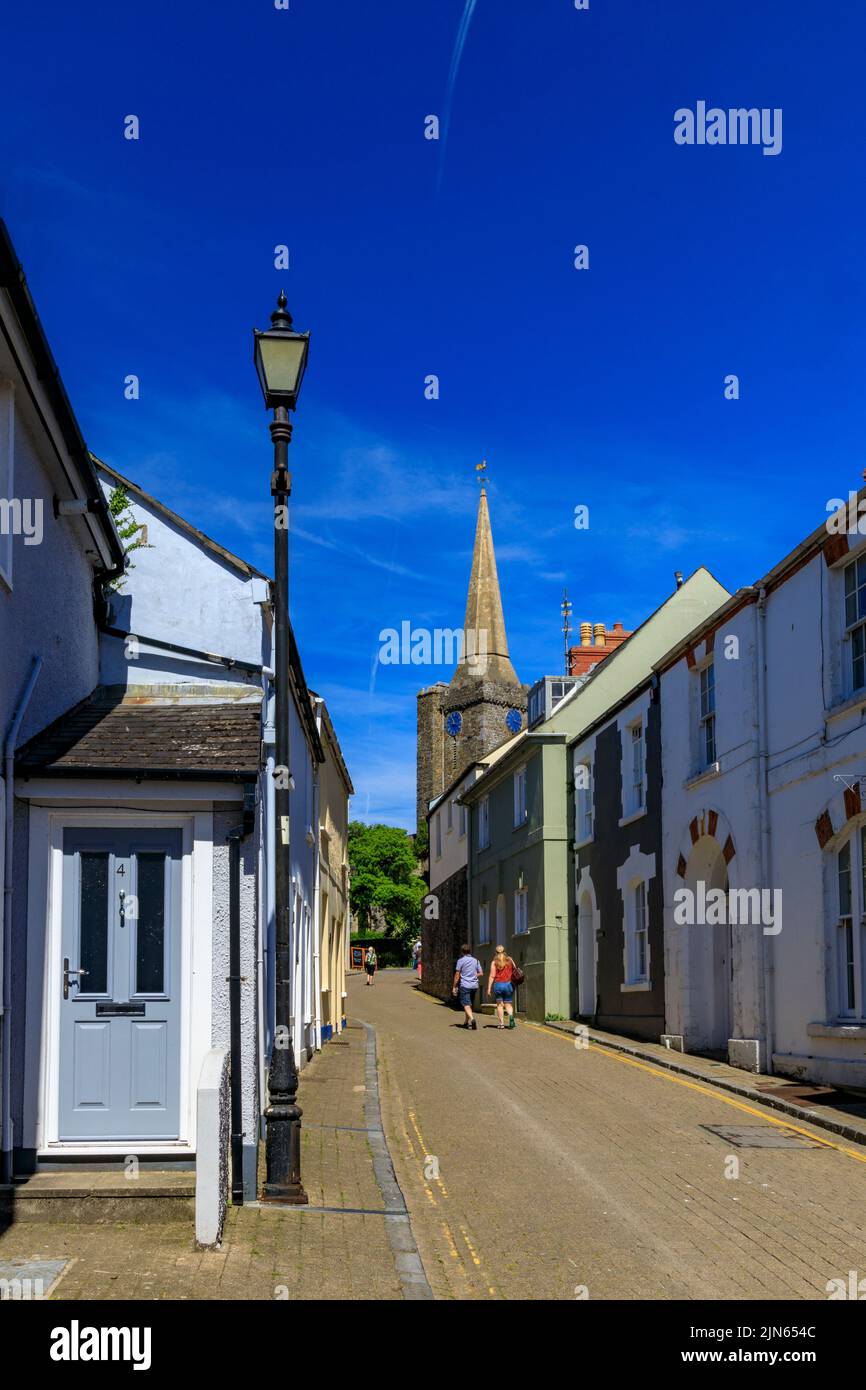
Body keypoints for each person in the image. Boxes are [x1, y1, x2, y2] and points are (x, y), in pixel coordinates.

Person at [452, 944, 483, 1030]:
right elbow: (481, 973)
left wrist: (454, 986)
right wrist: (474, 975)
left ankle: (472, 1019)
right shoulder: (476, 961)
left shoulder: (460, 961)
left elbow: (457, 974)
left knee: (466, 1004)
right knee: (469, 1004)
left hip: (465, 985)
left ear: (462, 952)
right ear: (470, 951)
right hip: (474, 986)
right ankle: (466, 1022)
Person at [487, 944, 516, 1029]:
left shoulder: (494, 962)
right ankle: (511, 1017)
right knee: (508, 1004)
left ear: (495, 952)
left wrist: (489, 988)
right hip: (508, 985)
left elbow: (492, 976)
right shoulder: (510, 960)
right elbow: (515, 969)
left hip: (498, 985)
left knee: (500, 1005)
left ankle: (501, 1023)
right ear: (504, 951)